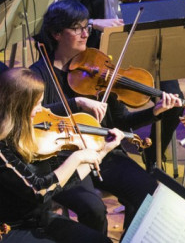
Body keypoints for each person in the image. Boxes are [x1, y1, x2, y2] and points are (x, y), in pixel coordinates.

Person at [30, 0, 180, 233]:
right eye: (76, 28)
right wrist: (76, 102)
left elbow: (122, 123)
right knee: (94, 210)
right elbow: (38, 120)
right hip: (62, 159)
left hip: (103, 152)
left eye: (86, 27)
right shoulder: (38, 74)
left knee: (150, 193)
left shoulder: (98, 71)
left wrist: (155, 112)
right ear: (56, 33)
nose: (85, 34)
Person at [63, 0, 184, 168]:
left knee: (174, 100)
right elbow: (68, 14)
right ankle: (113, 158)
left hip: (145, 51)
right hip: (104, 60)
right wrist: (95, 22)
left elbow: (165, 12)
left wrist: (181, 9)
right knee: (113, 113)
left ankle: (153, 154)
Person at [0, 67, 118, 243]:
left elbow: (59, 183)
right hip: (10, 228)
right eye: (37, 104)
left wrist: (102, 152)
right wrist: (76, 157)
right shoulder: (3, 150)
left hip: (39, 219)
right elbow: (39, 190)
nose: (42, 110)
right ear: (20, 107)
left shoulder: (26, 134)